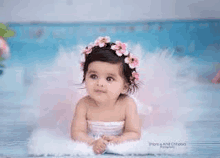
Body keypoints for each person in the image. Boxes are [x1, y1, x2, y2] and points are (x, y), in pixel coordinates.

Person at [70, 36, 141, 154]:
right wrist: (92, 142)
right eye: (93, 76)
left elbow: (134, 133)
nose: (100, 83)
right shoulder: (84, 104)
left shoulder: (127, 104)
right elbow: (77, 133)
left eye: (109, 78)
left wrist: (120, 139)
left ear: (124, 87)